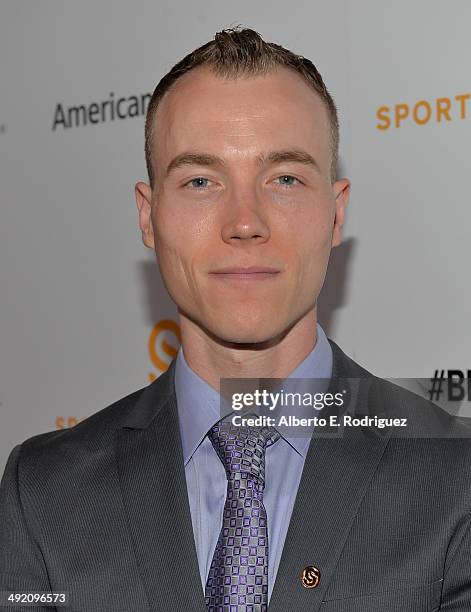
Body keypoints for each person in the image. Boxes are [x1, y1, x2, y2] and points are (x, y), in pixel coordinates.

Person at [0, 26, 470, 612]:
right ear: (149, 217)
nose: (245, 222)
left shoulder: (459, 477)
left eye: (285, 179)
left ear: (335, 212)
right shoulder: (43, 490)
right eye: (201, 181)